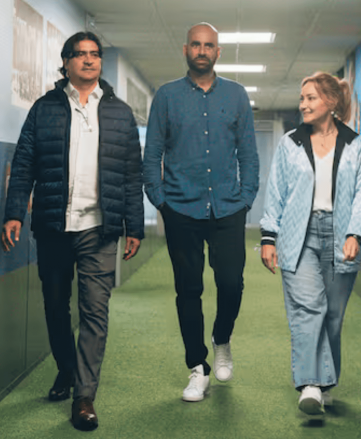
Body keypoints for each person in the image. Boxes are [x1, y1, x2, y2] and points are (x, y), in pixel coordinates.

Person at [2, 31, 144, 431]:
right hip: (54, 225)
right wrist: (15, 211)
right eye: (79, 55)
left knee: (95, 310)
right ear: (65, 62)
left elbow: (131, 173)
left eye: (94, 54)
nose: (88, 60)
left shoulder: (119, 112)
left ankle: (84, 396)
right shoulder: (44, 108)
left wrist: (134, 224)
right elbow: (25, 161)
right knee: (55, 304)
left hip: (100, 227)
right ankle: (66, 369)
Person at [142, 22, 259, 402]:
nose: (202, 50)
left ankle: (221, 338)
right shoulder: (167, 96)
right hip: (180, 207)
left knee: (231, 283)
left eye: (209, 45)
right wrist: (161, 201)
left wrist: (245, 198)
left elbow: (249, 155)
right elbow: (152, 154)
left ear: (218, 52)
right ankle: (198, 368)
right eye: (196, 44)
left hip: (227, 207)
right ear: (186, 49)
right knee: (188, 290)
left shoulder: (237, 96)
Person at [259, 72, 361, 415]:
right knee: (310, 310)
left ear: (332, 102)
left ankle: (326, 381)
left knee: (333, 317)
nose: (303, 104)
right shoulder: (290, 143)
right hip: (300, 236)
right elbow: (275, 192)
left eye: (311, 98)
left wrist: (355, 232)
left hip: (340, 235)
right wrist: (269, 236)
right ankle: (310, 384)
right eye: (301, 98)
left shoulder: (356, 144)